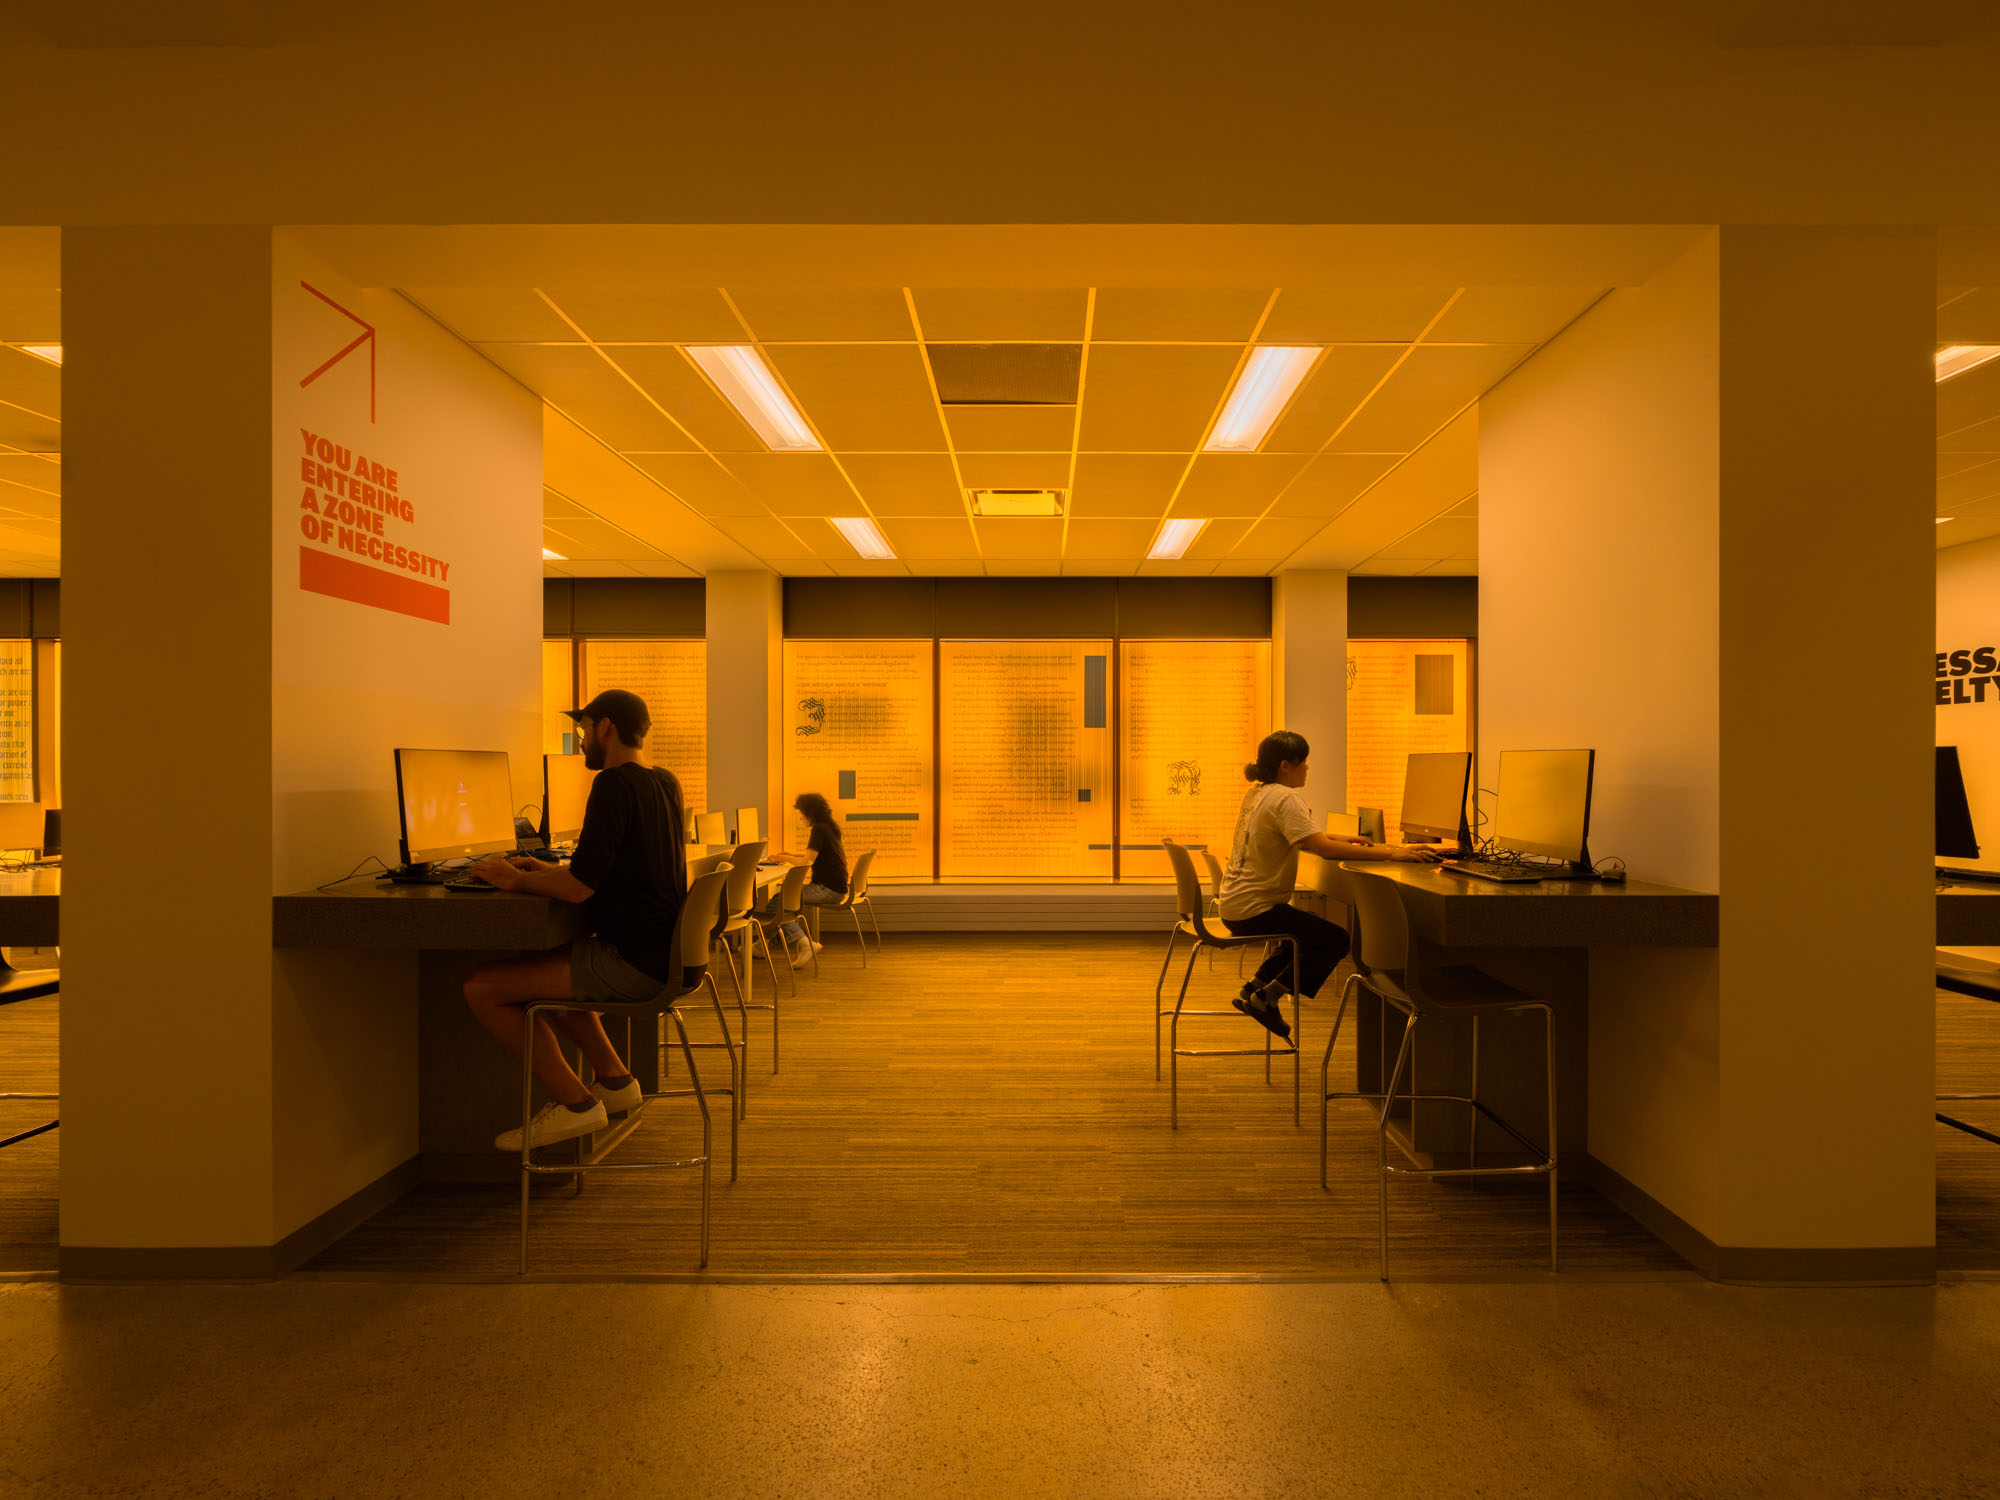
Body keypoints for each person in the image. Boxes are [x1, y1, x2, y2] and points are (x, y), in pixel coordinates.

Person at [461, 688, 688, 1150]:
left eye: (583, 728)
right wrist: (548, 871)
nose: (582, 739)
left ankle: (575, 1105)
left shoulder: (612, 783)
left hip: (633, 963)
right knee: (547, 962)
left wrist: (513, 879)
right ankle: (615, 1078)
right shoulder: (663, 781)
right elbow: (608, 869)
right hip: (664, 955)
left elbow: (579, 889)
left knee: (482, 988)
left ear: (605, 726)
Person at [1217, 729, 1447, 1040]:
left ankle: (1254, 988)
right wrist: (1393, 852)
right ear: (1286, 765)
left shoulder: (1259, 793)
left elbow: (1300, 838)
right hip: (1255, 909)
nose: (1308, 768)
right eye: (1304, 762)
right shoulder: (1286, 797)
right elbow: (1322, 849)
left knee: (1299, 936)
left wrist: (1339, 838)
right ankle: (1267, 998)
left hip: (1235, 905)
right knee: (1335, 940)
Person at [763, 791, 847, 962]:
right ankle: (762, 944)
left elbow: (805, 863)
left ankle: (804, 943)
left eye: (801, 816)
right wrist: (789, 855)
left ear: (810, 814)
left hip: (827, 889)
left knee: (777, 904)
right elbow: (812, 856)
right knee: (783, 902)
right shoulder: (828, 827)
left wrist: (784, 858)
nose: (801, 820)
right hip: (834, 887)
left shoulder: (819, 829)